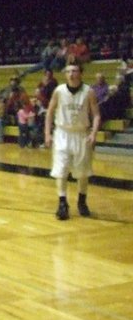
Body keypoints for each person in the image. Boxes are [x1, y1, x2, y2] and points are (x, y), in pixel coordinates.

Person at [45, 62, 101, 220]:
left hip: (81, 134)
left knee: (82, 173)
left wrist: (94, 133)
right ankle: (62, 202)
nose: (71, 74)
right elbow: (49, 113)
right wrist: (47, 134)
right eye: (68, 71)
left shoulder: (88, 91)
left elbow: (96, 115)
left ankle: (82, 201)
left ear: (80, 73)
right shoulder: (59, 91)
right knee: (61, 170)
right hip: (62, 133)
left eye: (74, 71)